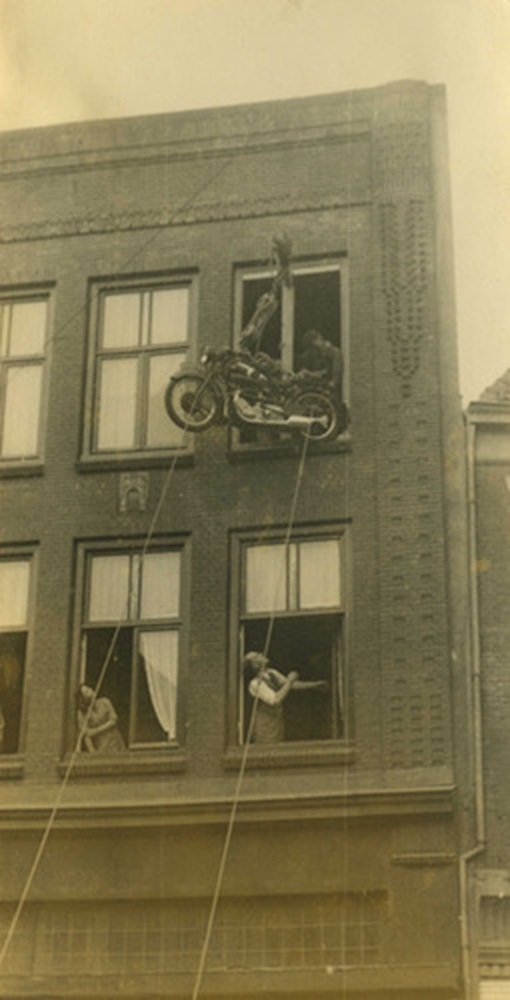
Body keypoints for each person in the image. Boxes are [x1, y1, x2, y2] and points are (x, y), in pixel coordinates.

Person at [244, 651, 328, 745]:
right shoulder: (255, 684)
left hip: (276, 720)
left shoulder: (271, 673)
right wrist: (289, 681)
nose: (261, 654)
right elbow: (275, 700)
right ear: (255, 665)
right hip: (264, 724)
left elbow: (290, 685)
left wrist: (315, 685)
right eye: (257, 656)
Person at [76, 684, 125, 753]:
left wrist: (95, 730)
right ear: (84, 698)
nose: (91, 690)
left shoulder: (105, 701)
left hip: (115, 741)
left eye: (89, 688)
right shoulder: (82, 713)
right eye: (87, 691)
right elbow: (86, 734)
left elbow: (114, 720)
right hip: (102, 745)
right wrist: (93, 753)